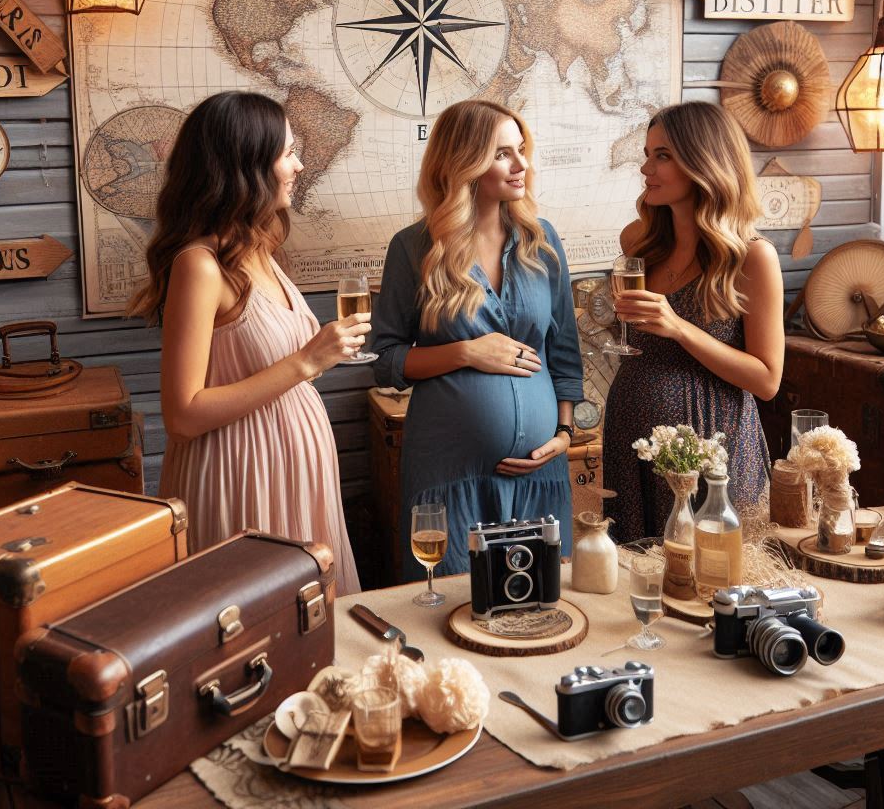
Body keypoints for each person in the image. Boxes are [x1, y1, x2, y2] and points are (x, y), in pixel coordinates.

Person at [128, 91, 366, 594]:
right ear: (246, 165)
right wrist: (307, 361)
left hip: (294, 472)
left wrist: (318, 358)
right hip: (241, 476)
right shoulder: (199, 265)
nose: (299, 165)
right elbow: (183, 414)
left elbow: (259, 367)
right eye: (287, 153)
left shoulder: (260, 248)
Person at [372, 99, 584, 579]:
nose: (521, 164)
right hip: (449, 478)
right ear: (463, 163)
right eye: (502, 153)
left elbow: (565, 352)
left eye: (521, 150)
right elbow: (385, 361)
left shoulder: (542, 240)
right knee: (447, 607)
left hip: (539, 477)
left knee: (541, 602)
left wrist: (564, 435)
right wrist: (465, 351)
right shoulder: (413, 248)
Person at [602, 101, 784, 543]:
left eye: (662, 155)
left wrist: (680, 326)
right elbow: (633, 337)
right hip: (632, 438)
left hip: (710, 449)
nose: (646, 167)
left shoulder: (753, 257)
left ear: (705, 161)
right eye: (648, 153)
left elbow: (766, 380)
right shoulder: (638, 240)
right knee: (633, 584)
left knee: (710, 581)